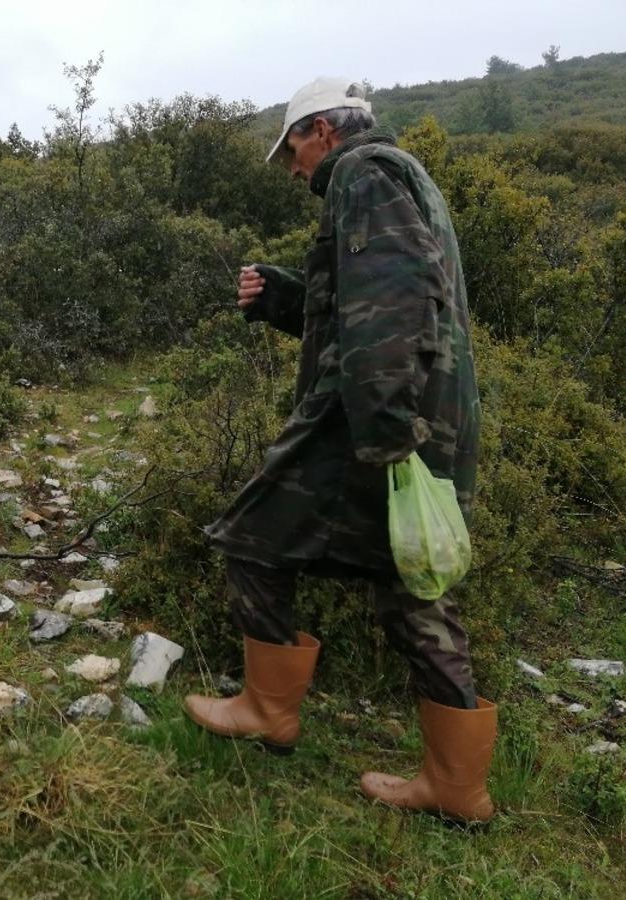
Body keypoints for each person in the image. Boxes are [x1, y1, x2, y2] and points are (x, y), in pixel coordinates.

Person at [184, 77, 495, 823]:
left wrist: (384, 432)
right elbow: (378, 300)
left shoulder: (363, 173)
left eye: (290, 148)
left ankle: (267, 711)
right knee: (411, 583)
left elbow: (391, 302)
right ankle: (457, 787)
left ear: (321, 130)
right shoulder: (403, 176)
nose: (291, 167)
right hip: (424, 414)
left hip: (374, 418)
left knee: (252, 535)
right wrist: (284, 297)